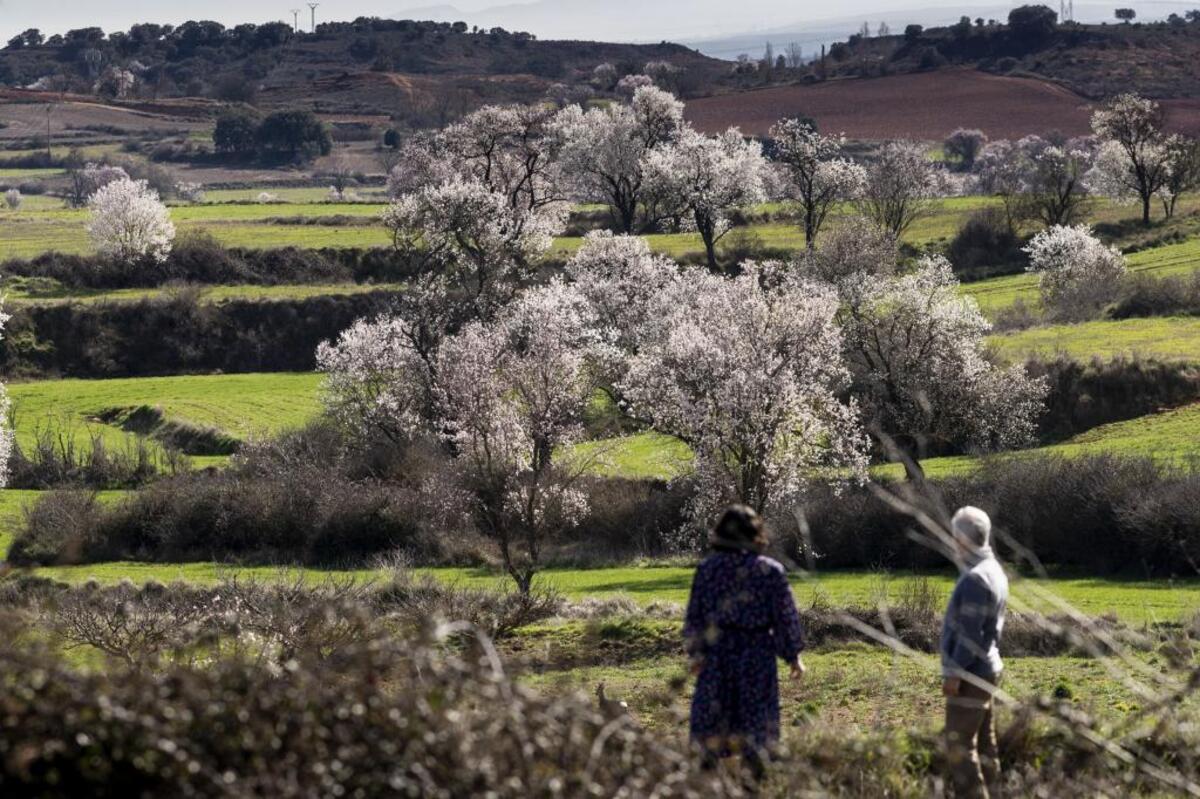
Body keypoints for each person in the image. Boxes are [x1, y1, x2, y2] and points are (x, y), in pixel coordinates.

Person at [684, 505, 806, 783]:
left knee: (712, 726)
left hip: (718, 655)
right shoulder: (770, 571)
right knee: (757, 728)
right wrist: (793, 656)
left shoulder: (707, 570)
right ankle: (754, 784)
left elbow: (695, 617)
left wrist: (696, 653)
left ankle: (708, 786)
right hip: (757, 655)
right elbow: (784, 617)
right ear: (755, 534)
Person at [941, 506, 1009, 799]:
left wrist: (953, 672)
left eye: (955, 535)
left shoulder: (974, 579)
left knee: (958, 747)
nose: (953, 541)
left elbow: (969, 636)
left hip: (970, 672)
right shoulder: (995, 571)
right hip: (989, 668)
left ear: (964, 540)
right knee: (984, 744)